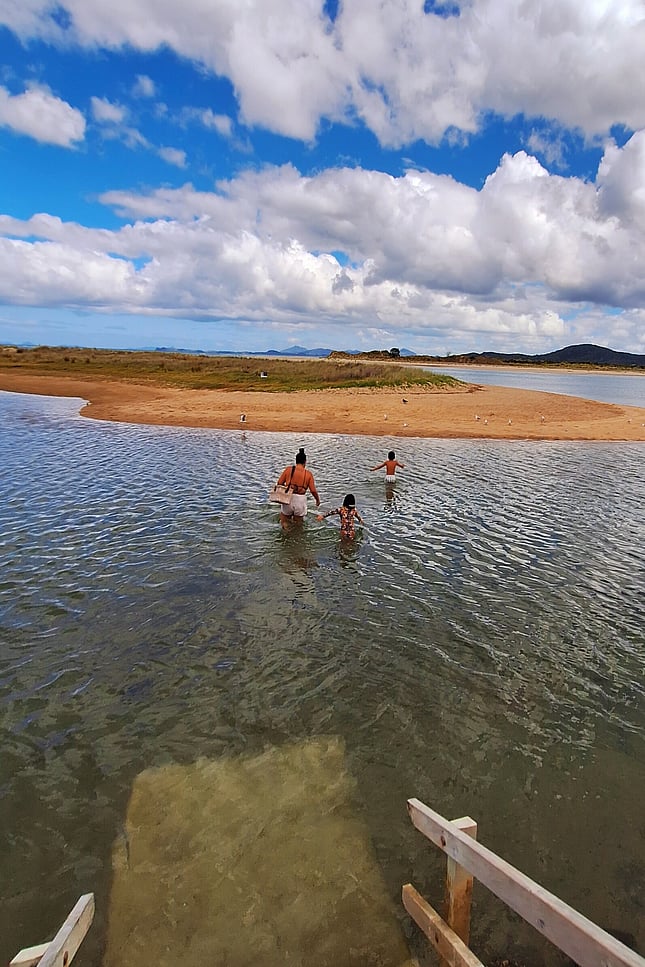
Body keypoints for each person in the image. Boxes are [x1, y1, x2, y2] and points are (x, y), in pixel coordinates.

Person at [275, 446, 320, 528]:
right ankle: (297, 535)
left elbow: (279, 483)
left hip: (288, 498)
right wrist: (317, 500)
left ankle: (286, 533)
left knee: (284, 521)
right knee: (298, 524)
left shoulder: (288, 470)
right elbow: (313, 490)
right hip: (300, 500)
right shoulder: (308, 474)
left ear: (296, 461)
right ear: (305, 462)